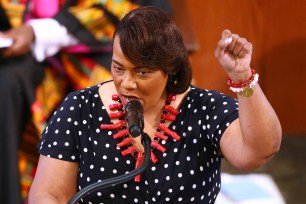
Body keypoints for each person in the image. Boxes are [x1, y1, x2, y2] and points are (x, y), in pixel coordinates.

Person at [28, 6, 282, 203]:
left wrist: (242, 77)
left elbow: (258, 152)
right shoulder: (79, 108)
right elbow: (49, 195)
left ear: (169, 70)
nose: (126, 83)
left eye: (142, 73)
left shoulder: (204, 109)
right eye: (118, 68)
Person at [0, 0, 143, 203]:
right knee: (5, 84)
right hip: (23, 57)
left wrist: (38, 32)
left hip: (98, 48)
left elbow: (127, 11)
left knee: (113, 98)